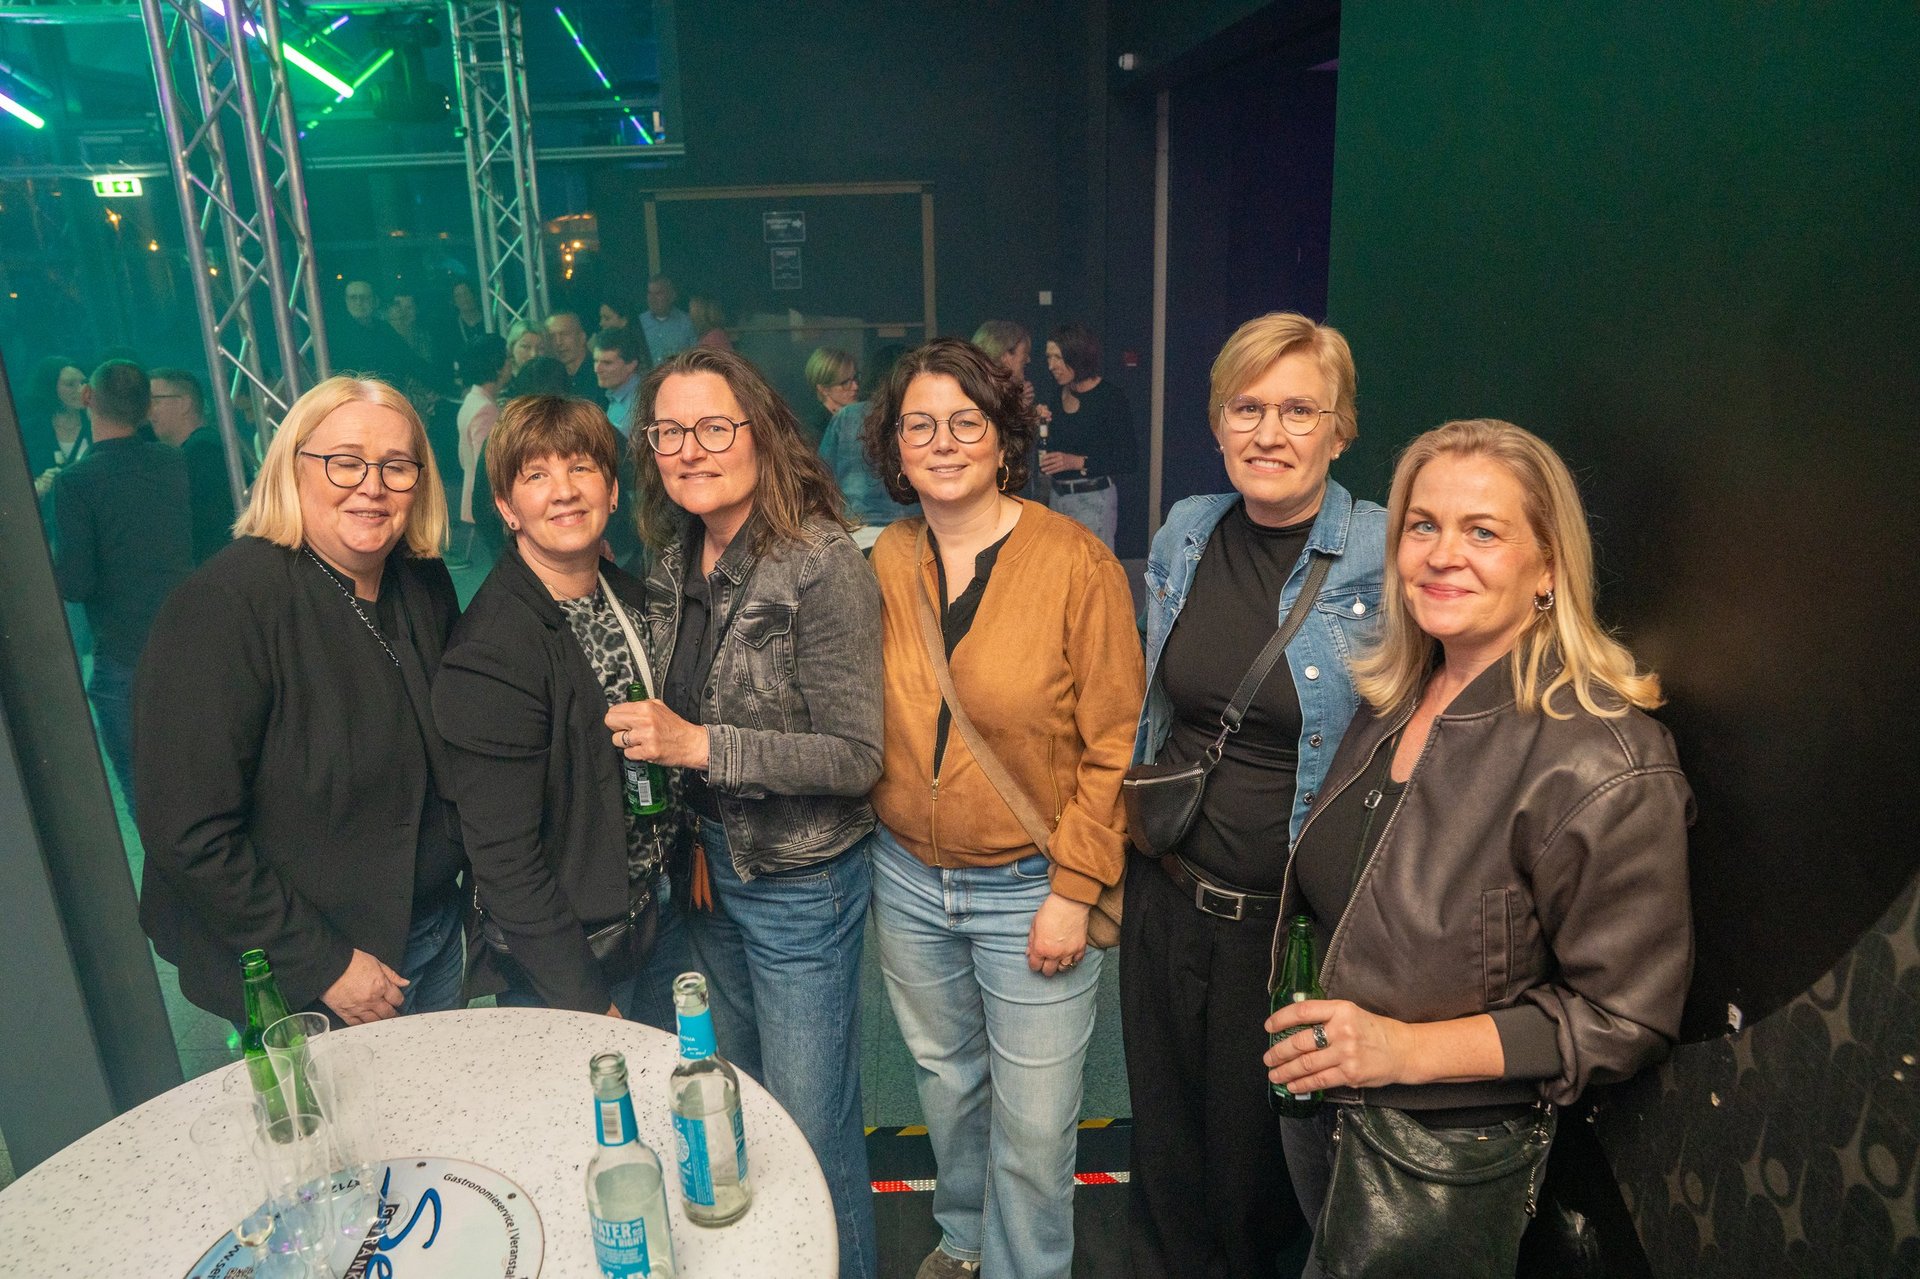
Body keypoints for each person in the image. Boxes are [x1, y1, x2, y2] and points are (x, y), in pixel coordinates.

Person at [1263, 418, 1693, 1276]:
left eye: (1483, 531)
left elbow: (1623, 1019)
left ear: (1548, 568)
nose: (1440, 553)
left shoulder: (1604, 757)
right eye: (1422, 525)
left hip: (1438, 1153)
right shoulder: (1399, 694)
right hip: (1330, 1117)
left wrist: (1402, 1050)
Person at [861, 338, 1143, 1279]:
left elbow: (1117, 742)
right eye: (919, 426)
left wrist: (1075, 885)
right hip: (905, 877)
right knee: (946, 1088)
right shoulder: (882, 561)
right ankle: (968, 1233)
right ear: (895, 449)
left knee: (1033, 1123)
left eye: (965, 423)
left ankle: (1031, 1268)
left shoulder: (1076, 563)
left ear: (1004, 438)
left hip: (1033, 884)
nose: (943, 443)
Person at [1123, 313, 1387, 1279]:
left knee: (1255, 1171)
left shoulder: (1385, 551)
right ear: (1218, 420)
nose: (1270, 432)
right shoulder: (1188, 528)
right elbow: (1165, 707)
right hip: (1163, 887)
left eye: (1298, 410)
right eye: (1248, 407)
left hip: (1282, 925)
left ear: (1340, 428)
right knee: (1165, 1145)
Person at [611, 346, 882, 1278]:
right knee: (739, 1108)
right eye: (670, 431)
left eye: (714, 426)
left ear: (761, 433)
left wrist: (700, 746)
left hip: (803, 884)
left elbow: (856, 758)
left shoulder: (820, 559)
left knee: (812, 1128)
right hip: (710, 875)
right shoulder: (673, 551)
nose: (692, 449)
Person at [134, 375, 467, 1027]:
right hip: (312, 974)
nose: (371, 485)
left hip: (431, 932)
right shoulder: (223, 607)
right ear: (293, 467)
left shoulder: (420, 581)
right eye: (345, 461)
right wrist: (325, 964)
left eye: (397, 466)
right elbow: (189, 832)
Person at [433, 395, 690, 1027]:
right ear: (506, 509)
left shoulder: (630, 598)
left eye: (580, 468)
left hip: (660, 917)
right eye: (536, 476)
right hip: (573, 951)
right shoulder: (492, 650)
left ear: (610, 489)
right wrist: (582, 1001)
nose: (565, 492)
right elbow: (505, 860)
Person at [52, 359, 193, 808]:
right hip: (186, 642)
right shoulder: (171, 463)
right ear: (148, 407)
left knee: (148, 796)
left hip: (126, 655)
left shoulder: (76, 483)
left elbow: (74, 583)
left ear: (88, 399)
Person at [1042, 322, 1137, 549]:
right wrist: (1039, 422)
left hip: (1094, 498)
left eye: (1058, 357)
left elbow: (1129, 459)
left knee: (1095, 572)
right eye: (1048, 358)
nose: (1051, 366)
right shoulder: (1056, 394)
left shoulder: (1110, 397)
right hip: (1058, 497)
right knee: (1061, 569)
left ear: (1078, 357)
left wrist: (1075, 461)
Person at [820, 344, 918, 543]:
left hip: (857, 530)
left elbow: (821, 476)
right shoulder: (919, 418)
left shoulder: (847, 416)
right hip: (913, 529)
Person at [148, 366, 245, 565]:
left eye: (155, 401)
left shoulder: (204, 451)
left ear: (184, 404)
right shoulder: (205, 447)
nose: (149, 411)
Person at [972, 320, 1050, 505]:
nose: (1028, 359)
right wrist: (1022, 410)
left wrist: (1029, 414)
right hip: (996, 495)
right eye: (1025, 352)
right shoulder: (981, 392)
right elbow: (1002, 443)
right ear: (1006, 354)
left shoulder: (1011, 392)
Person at [453, 335, 512, 566]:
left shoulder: (473, 400)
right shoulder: (485, 408)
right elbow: (487, 462)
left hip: (477, 497)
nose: (510, 364)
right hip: (488, 501)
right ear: (496, 366)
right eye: (507, 359)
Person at [332, 279, 423, 387]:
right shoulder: (336, 335)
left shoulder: (383, 329)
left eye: (364, 297)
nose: (358, 302)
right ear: (346, 301)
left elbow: (412, 361)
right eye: (353, 297)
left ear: (376, 301)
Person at [23, 356, 91, 496]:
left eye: (83, 382)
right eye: (70, 384)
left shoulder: (98, 421)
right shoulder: (30, 432)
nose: (81, 389)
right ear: (50, 388)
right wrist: (39, 485)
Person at [592, 325, 649, 437]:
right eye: (595, 361)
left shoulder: (639, 405)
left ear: (631, 365)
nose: (597, 369)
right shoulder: (616, 395)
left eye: (607, 363)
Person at [546, 311, 605, 406]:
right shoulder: (551, 379)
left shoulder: (601, 373)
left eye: (564, 334)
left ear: (582, 337)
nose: (558, 342)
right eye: (551, 336)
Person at [803, 346, 858, 447]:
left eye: (855, 378)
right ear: (824, 389)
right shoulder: (815, 429)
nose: (855, 386)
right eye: (845, 383)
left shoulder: (857, 417)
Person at [638, 275, 697, 362]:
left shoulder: (687, 323)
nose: (652, 298)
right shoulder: (639, 323)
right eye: (649, 293)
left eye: (658, 293)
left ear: (672, 296)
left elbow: (695, 358)